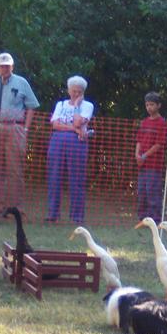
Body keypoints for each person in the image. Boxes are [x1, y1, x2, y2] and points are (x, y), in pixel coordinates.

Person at [0, 52, 39, 216]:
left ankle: (16, 208)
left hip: (15, 128)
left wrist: (25, 129)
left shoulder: (22, 82)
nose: (4, 68)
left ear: (12, 66)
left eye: (7, 65)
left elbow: (31, 106)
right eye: (1, 65)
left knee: (15, 168)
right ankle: (0, 207)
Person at [46, 76, 94, 224]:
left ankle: (77, 216)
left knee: (77, 178)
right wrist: (74, 129)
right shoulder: (60, 104)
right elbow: (55, 124)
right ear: (68, 90)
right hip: (58, 140)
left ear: (83, 92)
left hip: (77, 143)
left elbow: (79, 121)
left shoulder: (87, 106)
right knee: (54, 177)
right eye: (73, 91)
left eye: (79, 92)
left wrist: (76, 106)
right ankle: (53, 214)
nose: (75, 94)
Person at [135, 91, 167, 221]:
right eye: (147, 105)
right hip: (142, 164)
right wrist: (137, 155)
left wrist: (144, 156)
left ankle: (155, 218)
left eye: (152, 104)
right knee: (142, 191)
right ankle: (142, 217)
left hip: (154, 165)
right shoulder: (144, 122)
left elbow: (159, 144)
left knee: (152, 191)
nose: (149, 107)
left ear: (158, 105)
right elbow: (138, 140)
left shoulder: (161, 123)